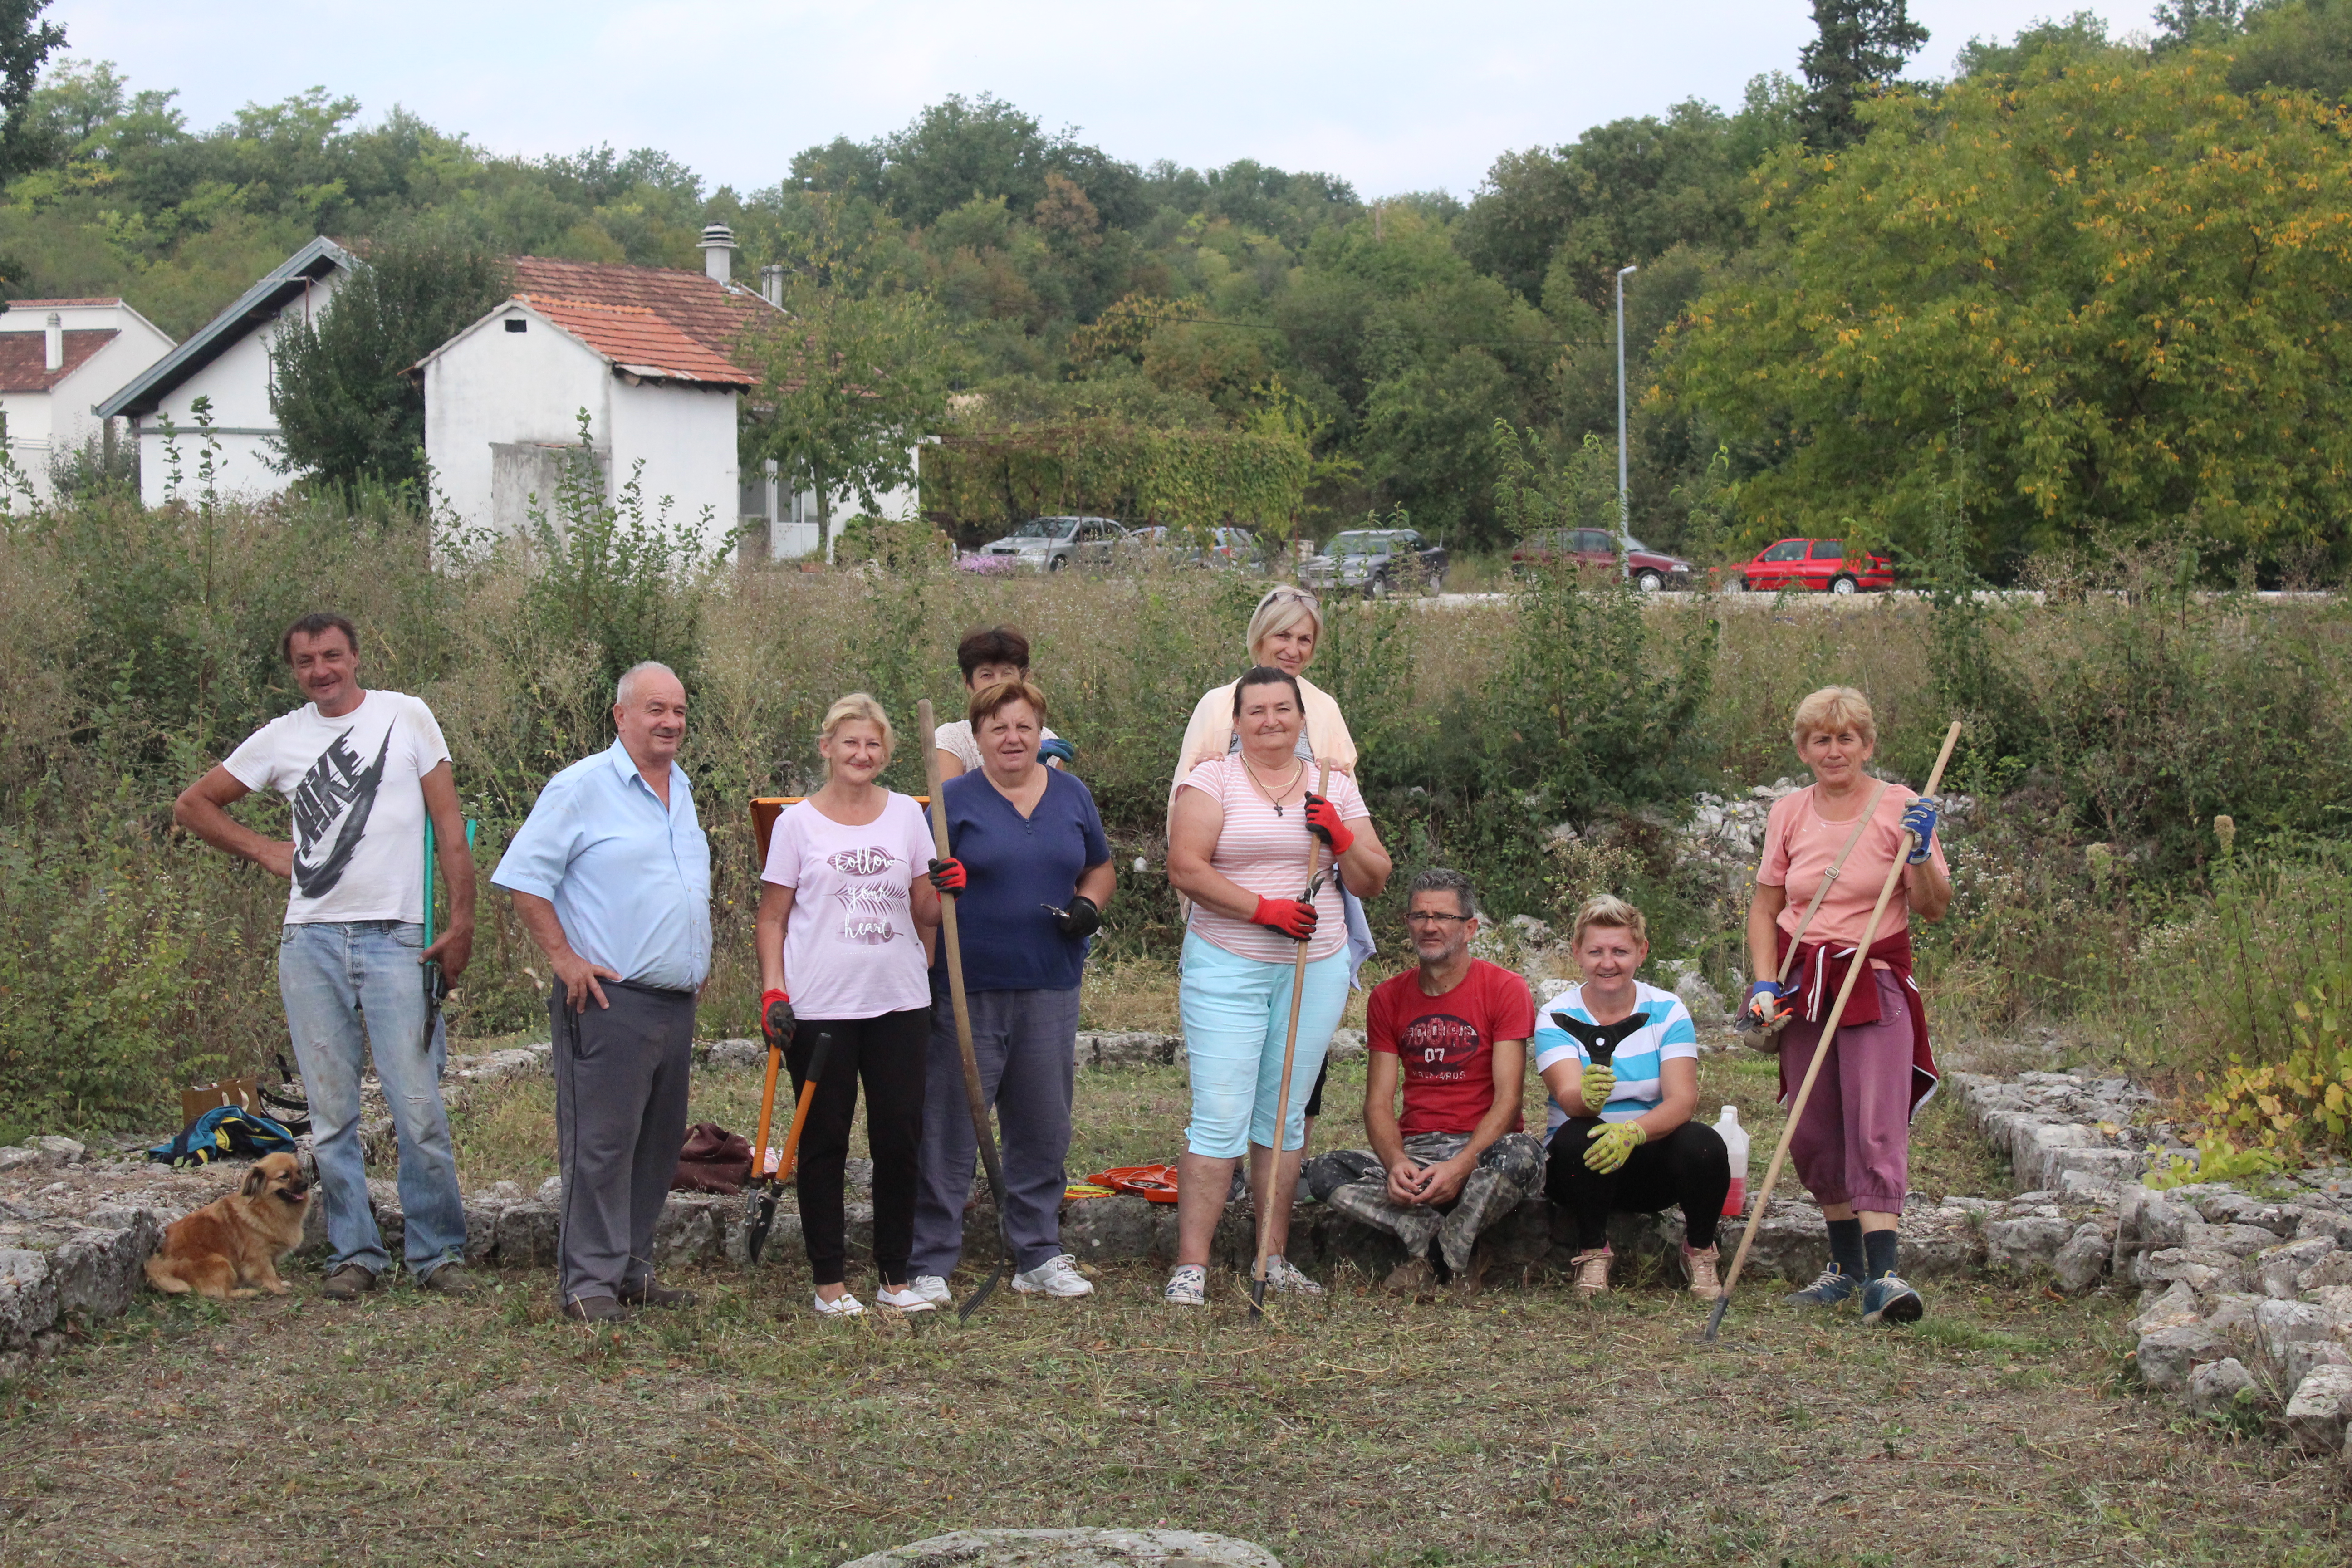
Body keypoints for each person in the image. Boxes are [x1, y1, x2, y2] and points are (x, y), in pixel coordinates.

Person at [173, 612, 478, 1302]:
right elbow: (194, 805)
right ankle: (355, 1254)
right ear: (295, 670)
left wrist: (461, 924)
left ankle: (438, 1253)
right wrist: (261, 849)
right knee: (332, 1116)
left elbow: (450, 827)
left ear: (357, 657)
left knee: (418, 1104)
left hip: (399, 936)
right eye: (307, 661)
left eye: (333, 656)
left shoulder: (407, 717)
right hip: (311, 942)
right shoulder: (282, 738)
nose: (322, 670)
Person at [1165, 666, 1392, 1305]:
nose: (1270, 721)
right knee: (1220, 1116)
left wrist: (1343, 838)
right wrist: (1261, 908)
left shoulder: (1333, 782)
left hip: (1313, 966)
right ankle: (1192, 1266)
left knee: (1285, 1114)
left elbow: (1374, 878)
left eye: (1282, 709)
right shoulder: (1211, 778)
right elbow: (1185, 865)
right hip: (1227, 961)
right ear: (1236, 722)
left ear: (1302, 717)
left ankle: (1272, 1257)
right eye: (1256, 711)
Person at [493, 662, 711, 1323]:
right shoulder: (582, 786)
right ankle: (587, 1284)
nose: (669, 721)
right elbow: (526, 876)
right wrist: (563, 957)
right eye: (654, 709)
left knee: (656, 1144)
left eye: (677, 710)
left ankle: (632, 1270)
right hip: (610, 1001)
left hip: (675, 1003)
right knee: (603, 1145)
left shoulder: (682, 788)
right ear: (621, 717)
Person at [907, 678, 1115, 1305]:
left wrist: (1088, 905)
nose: (1012, 738)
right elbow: (918, 902)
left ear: (1040, 732)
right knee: (950, 1126)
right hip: (967, 990)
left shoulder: (1072, 796)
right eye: (998, 728)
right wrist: (940, 883)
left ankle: (1038, 1253)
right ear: (977, 739)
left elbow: (1098, 867)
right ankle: (931, 1262)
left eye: (1023, 726)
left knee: (1042, 1124)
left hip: (1050, 983)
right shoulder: (948, 805)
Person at [1745, 685, 1948, 1325]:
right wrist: (1762, 982)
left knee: (1875, 1121)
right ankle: (1845, 1267)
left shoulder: (1902, 806)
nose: (1835, 751)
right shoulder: (1789, 812)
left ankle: (1885, 1276)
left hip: (1874, 977)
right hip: (1806, 982)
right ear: (1805, 748)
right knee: (1812, 1126)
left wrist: (1920, 853)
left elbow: (1934, 907)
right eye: (1821, 740)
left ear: (1868, 744)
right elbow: (1766, 906)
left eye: (1847, 739)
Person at [756, 694, 946, 1318]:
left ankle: (895, 1276)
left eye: (873, 745)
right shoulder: (797, 824)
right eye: (850, 743)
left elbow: (923, 912)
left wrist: (947, 889)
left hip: (899, 999)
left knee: (899, 1138)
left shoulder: (907, 817)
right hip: (820, 1006)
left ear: (886, 752)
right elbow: (773, 917)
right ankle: (830, 1281)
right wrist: (774, 992)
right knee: (823, 1141)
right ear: (827, 748)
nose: (862, 754)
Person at [1168, 585, 1366, 1142]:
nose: (1293, 649)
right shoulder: (1217, 703)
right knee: (1231, 1062)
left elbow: (1347, 791)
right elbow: (1190, 797)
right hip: (1238, 906)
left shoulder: (1324, 707)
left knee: (1299, 1056)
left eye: (1305, 639)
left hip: (1313, 898)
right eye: (1283, 634)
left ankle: (1284, 1149)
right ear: (1260, 635)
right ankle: (1226, 1152)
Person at [1307, 868, 1543, 1298]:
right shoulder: (1388, 997)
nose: (1430, 926)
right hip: (1418, 1150)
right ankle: (1444, 1240)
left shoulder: (1506, 989)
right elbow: (1378, 1103)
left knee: (1522, 1156)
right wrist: (1396, 1162)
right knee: (1325, 1171)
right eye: (1419, 916)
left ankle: (1434, 1259)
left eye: (1444, 917)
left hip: (1483, 1151)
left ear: (1470, 928)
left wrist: (1460, 1167)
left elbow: (1509, 1102)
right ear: (1407, 924)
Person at [1537, 896, 1730, 1298]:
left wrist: (1632, 1132)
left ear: (1641, 953)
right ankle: (1592, 1252)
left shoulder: (1669, 1010)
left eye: (1620, 951)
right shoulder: (1556, 1015)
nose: (1608, 963)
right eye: (1596, 951)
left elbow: (1682, 1101)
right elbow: (1570, 1099)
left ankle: (1699, 1250)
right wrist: (1589, 1098)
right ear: (1577, 954)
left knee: (1705, 1144)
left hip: (1649, 1159)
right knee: (1577, 1134)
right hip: (1580, 1172)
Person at [931, 626, 1071, 778]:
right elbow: (947, 799)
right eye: (986, 675)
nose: (998, 684)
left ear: (1025, 678)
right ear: (968, 682)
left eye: (1007, 673)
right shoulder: (952, 739)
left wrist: (1036, 771)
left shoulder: (1046, 740)